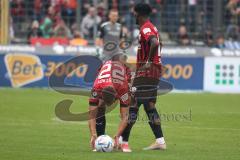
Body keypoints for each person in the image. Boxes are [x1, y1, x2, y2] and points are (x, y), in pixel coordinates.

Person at [120, 3, 166, 152]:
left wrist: (148, 62)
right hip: (154, 71)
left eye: (134, 13)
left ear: (138, 14)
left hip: (147, 72)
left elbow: (155, 42)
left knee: (133, 104)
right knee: (149, 106)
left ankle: (123, 142)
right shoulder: (152, 27)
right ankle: (160, 141)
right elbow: (160, 43)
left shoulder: (146, 27)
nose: (133, 15)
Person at [88, 54, 131, 151]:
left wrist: (117, 135)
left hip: (124, 72)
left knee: (130, 107)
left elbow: (125, 117)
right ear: (101, 95)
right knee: (99, 108)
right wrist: (93, 134)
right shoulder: (96, 88)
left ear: (116, 96)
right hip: (104, 71)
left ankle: (124, 142)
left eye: (111, 103)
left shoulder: (123, 88)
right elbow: (91, 115)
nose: (109, 106)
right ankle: (99, 139)